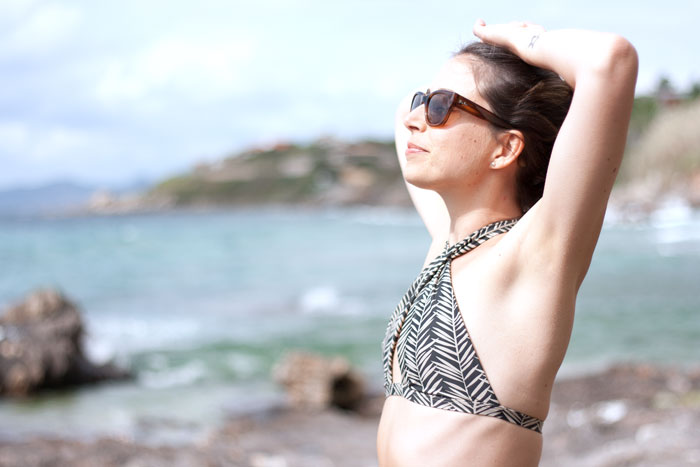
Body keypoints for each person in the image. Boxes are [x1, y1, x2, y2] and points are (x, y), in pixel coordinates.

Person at [376, 20, 638, 466]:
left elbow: (610, 61)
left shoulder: (536, 253)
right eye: (425, 101)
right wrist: (463, 77)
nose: (415, 118)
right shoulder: (448, 243)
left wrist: (523, 42)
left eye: (441, 107)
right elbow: (404, 111)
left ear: (505, 149)